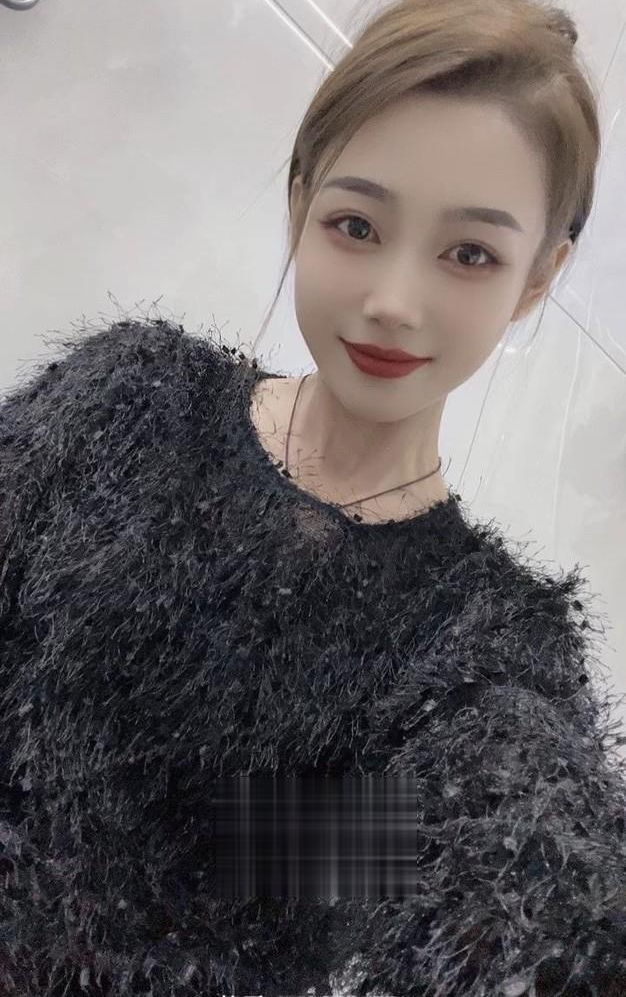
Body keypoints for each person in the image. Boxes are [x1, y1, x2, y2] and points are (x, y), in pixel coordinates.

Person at [1, 0, 625, 994]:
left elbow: (521, 877)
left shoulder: (481, 654)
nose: (392, 301)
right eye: (356, 225)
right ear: (299, 203)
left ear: (536, 278)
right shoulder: (129, 398)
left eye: (468, 253)